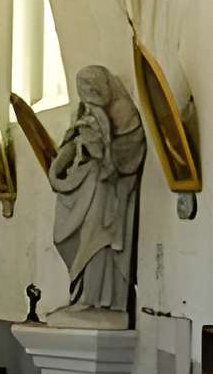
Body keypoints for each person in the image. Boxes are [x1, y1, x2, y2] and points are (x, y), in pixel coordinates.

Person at [49, 65, 147, 314]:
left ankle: (98, 298)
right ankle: (82, 295)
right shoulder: (84, 113)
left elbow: (124, 162)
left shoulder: (126, 118)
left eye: (92, 88)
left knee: (97, 242)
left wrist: (100, 148)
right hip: (89, 188)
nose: (89, 95)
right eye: (84, 90)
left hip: (108, 197)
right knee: (80, 240)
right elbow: (65, 156)